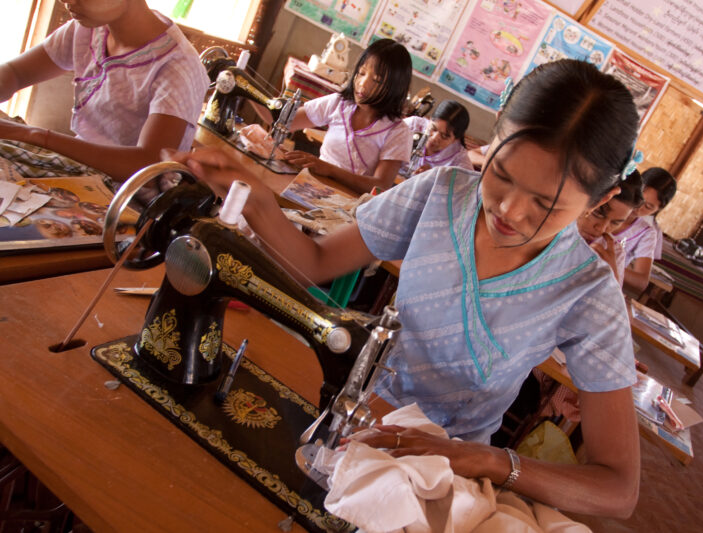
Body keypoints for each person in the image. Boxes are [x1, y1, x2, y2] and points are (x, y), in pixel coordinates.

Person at [173, 58, 641, 517]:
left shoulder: (589, 293)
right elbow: (314, 262)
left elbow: (617, 489)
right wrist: (252, 195)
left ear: (600, 200)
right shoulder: (441, 193)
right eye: (500, 175)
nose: (509, 210)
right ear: (492, 136)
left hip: (438, 478)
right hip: (350, 424)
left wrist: (486, 460)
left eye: (545, 204)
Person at [0, 0, 209, 183]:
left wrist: (33, 135)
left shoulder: (177, 66)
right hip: (78, 169)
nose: (66, 0)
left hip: (126, 199)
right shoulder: (89, 30)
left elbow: (147, 164)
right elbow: (16, 72)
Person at [257, 39, 413, 194]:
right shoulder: (340, 103)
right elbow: (281, 121)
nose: (363, 84)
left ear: (395, 88)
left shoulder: (398, 132)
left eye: (377, 80)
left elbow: (380, 187)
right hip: (313, 188)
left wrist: (328, 169)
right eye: (361, 73)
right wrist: (248, 89)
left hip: (349, 205)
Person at [612, 166, 677, 294]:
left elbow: (640, 283)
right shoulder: (608, 201)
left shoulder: (645, 233)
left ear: (657, 210)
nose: (638, 207)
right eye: (639, 197)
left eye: (648, 207)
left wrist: (611, 265)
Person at [577, 169, 644, 283]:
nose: (602, 228)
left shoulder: (613, 254)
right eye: (597, 213)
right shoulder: (552, 227)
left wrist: (611, 274)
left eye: (615, 222)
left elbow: (611, 299)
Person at [400, 100, 472, 176]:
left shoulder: (459, 164)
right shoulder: (412, 126)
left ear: (456, 139)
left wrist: (433, 179)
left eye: (444, 136)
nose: (434, 138)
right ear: (430, 119)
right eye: (433, 128)